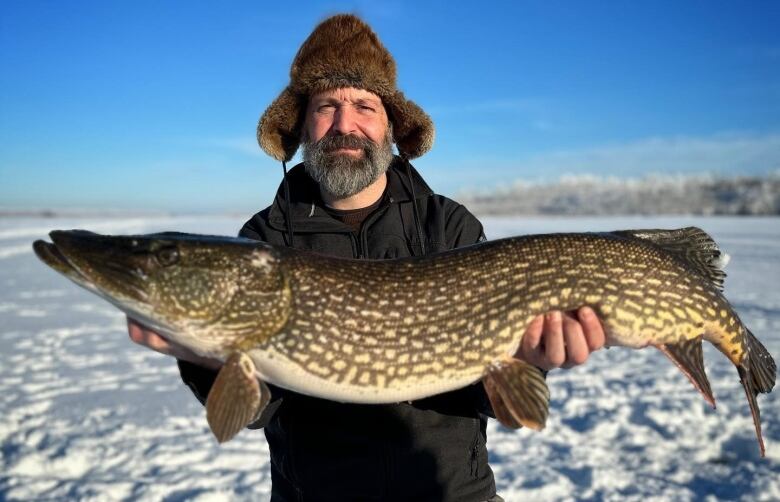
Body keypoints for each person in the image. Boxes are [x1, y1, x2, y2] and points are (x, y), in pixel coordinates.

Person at [127, 14, 606, 501]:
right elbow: (253, 412)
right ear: (302, 128)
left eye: (364, 106)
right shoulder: (265, 240)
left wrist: (531, 359)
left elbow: (484, 396)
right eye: (326, 106)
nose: (345, 124)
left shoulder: (449, 226)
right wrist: (203, 360)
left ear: (391, 127)